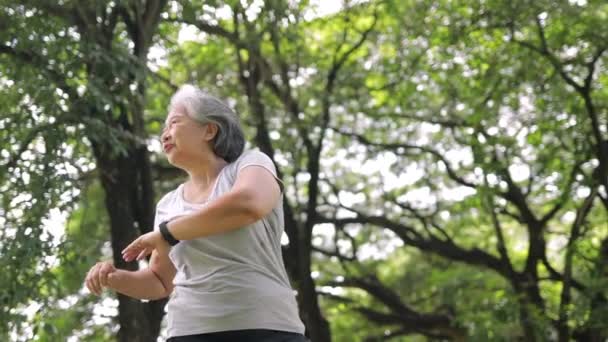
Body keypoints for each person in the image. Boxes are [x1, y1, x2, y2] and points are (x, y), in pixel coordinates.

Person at [84, 84, 307, 342]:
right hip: (188, 332)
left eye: (174, 123)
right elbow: (159, 282)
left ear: (209, 130)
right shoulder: (168, 204)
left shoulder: (251, 164)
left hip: (266, 326)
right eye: (163, 129)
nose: (164, 135)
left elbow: (248, 204)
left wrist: (167, 233)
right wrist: (113, 278)